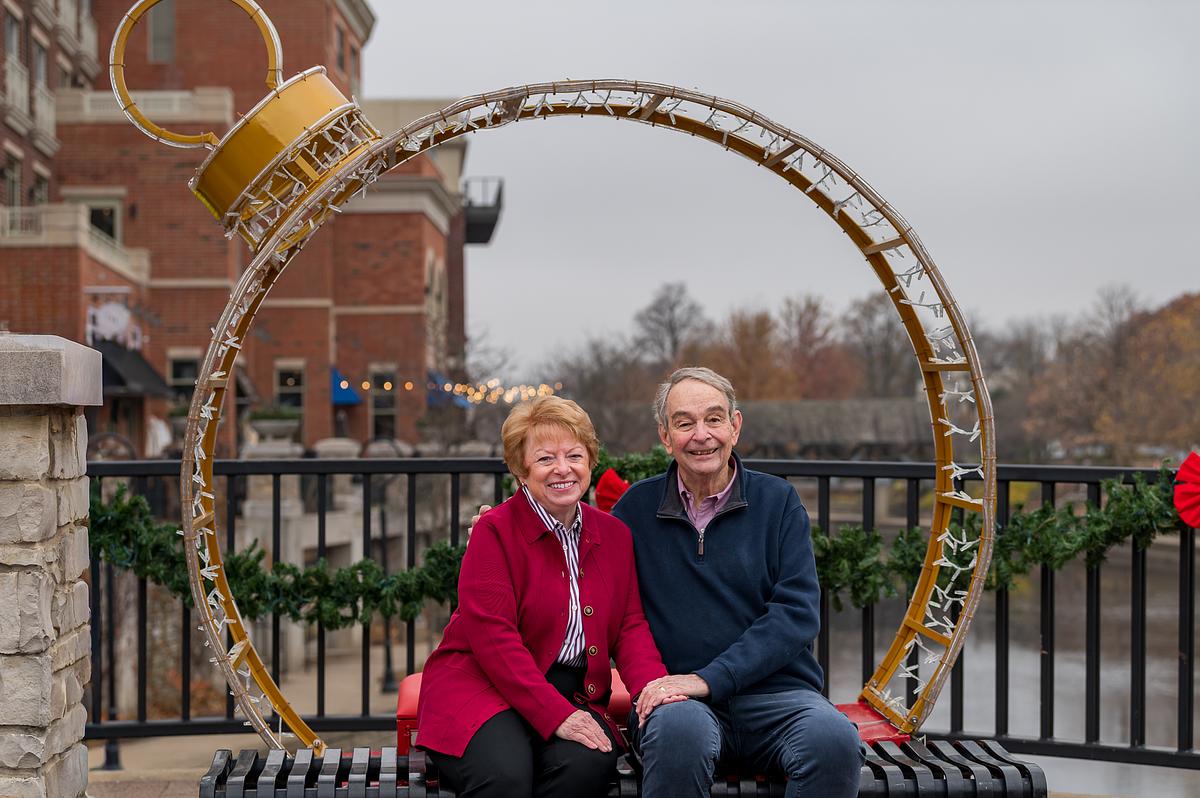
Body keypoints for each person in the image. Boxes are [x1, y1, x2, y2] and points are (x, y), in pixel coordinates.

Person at [617, 367, 865, 798]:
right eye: (684, 422)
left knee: (833, 741)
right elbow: (577, 566)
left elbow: (795, 614)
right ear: (664, 436)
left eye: (714, 419)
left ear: (735, 425)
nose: (702, 435)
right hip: (681, 703)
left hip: (779, 696)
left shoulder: (778, 502)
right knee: (677, 737)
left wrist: (711, 678)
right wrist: (502, 527)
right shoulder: (635, 509)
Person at [416, 395, 674, 798]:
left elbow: (629, 628)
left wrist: (654, 692)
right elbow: (494, 641)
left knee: (588, 764)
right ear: (521, 470)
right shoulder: (495, 532)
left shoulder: (614, 536)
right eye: (545, 459)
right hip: (483, 685)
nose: (562, 469)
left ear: (590, 461)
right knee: (505, 776)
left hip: (572, 691)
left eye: (574, 455)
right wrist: (556, 716)